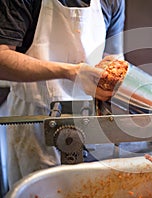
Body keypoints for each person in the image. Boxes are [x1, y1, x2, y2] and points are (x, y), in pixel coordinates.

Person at [0, 0, 125, 188]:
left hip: (89, 120)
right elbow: (2, 60)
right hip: (35, 120)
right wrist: (70, 72)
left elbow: (113, 59)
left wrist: (112, 74)